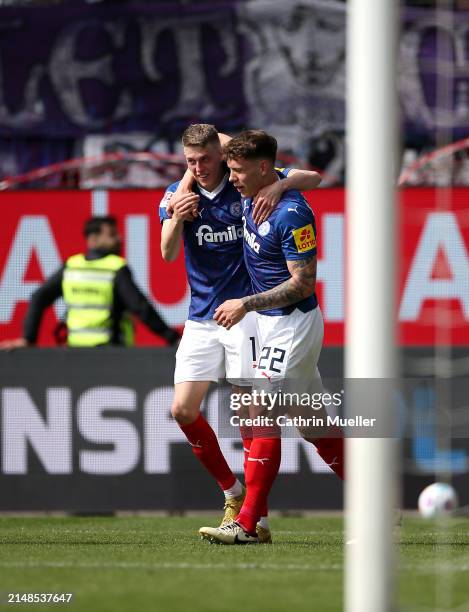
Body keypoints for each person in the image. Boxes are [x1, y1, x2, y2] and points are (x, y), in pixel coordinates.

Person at [159, 124, 321, 543]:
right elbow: (166, 252)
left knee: (254, 415)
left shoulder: (251, 186)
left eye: (209, 158)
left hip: (252, 317)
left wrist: (278, 187)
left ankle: (253, 521)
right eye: (191, 161)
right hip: (204, 316)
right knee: (184, 410)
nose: (204, 168)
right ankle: (235, 495)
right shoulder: (181, 193)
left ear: (223, 153)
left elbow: (308, 177)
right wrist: (177, 213)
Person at [199, 130, 344, 544]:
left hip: (293, 323)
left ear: (264, 168)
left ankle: (248, 523)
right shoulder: (263, 177)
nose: (234, 178)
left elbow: (304, 282)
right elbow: (216, 134)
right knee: (315, 427)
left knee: (259, 410)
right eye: (231, 168)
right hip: (270, 324)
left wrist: (246, 303)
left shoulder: (292, 213)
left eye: (239, 171)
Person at [0, 216, 180, 349]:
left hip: (76, 354)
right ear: (92, 240)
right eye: (112, 234)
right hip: (112, 354)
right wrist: (171, 337)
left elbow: (38, 297)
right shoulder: (116, 267)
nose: (120, 238)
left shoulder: (71, 267)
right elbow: (141, 307)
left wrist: (28, 338)